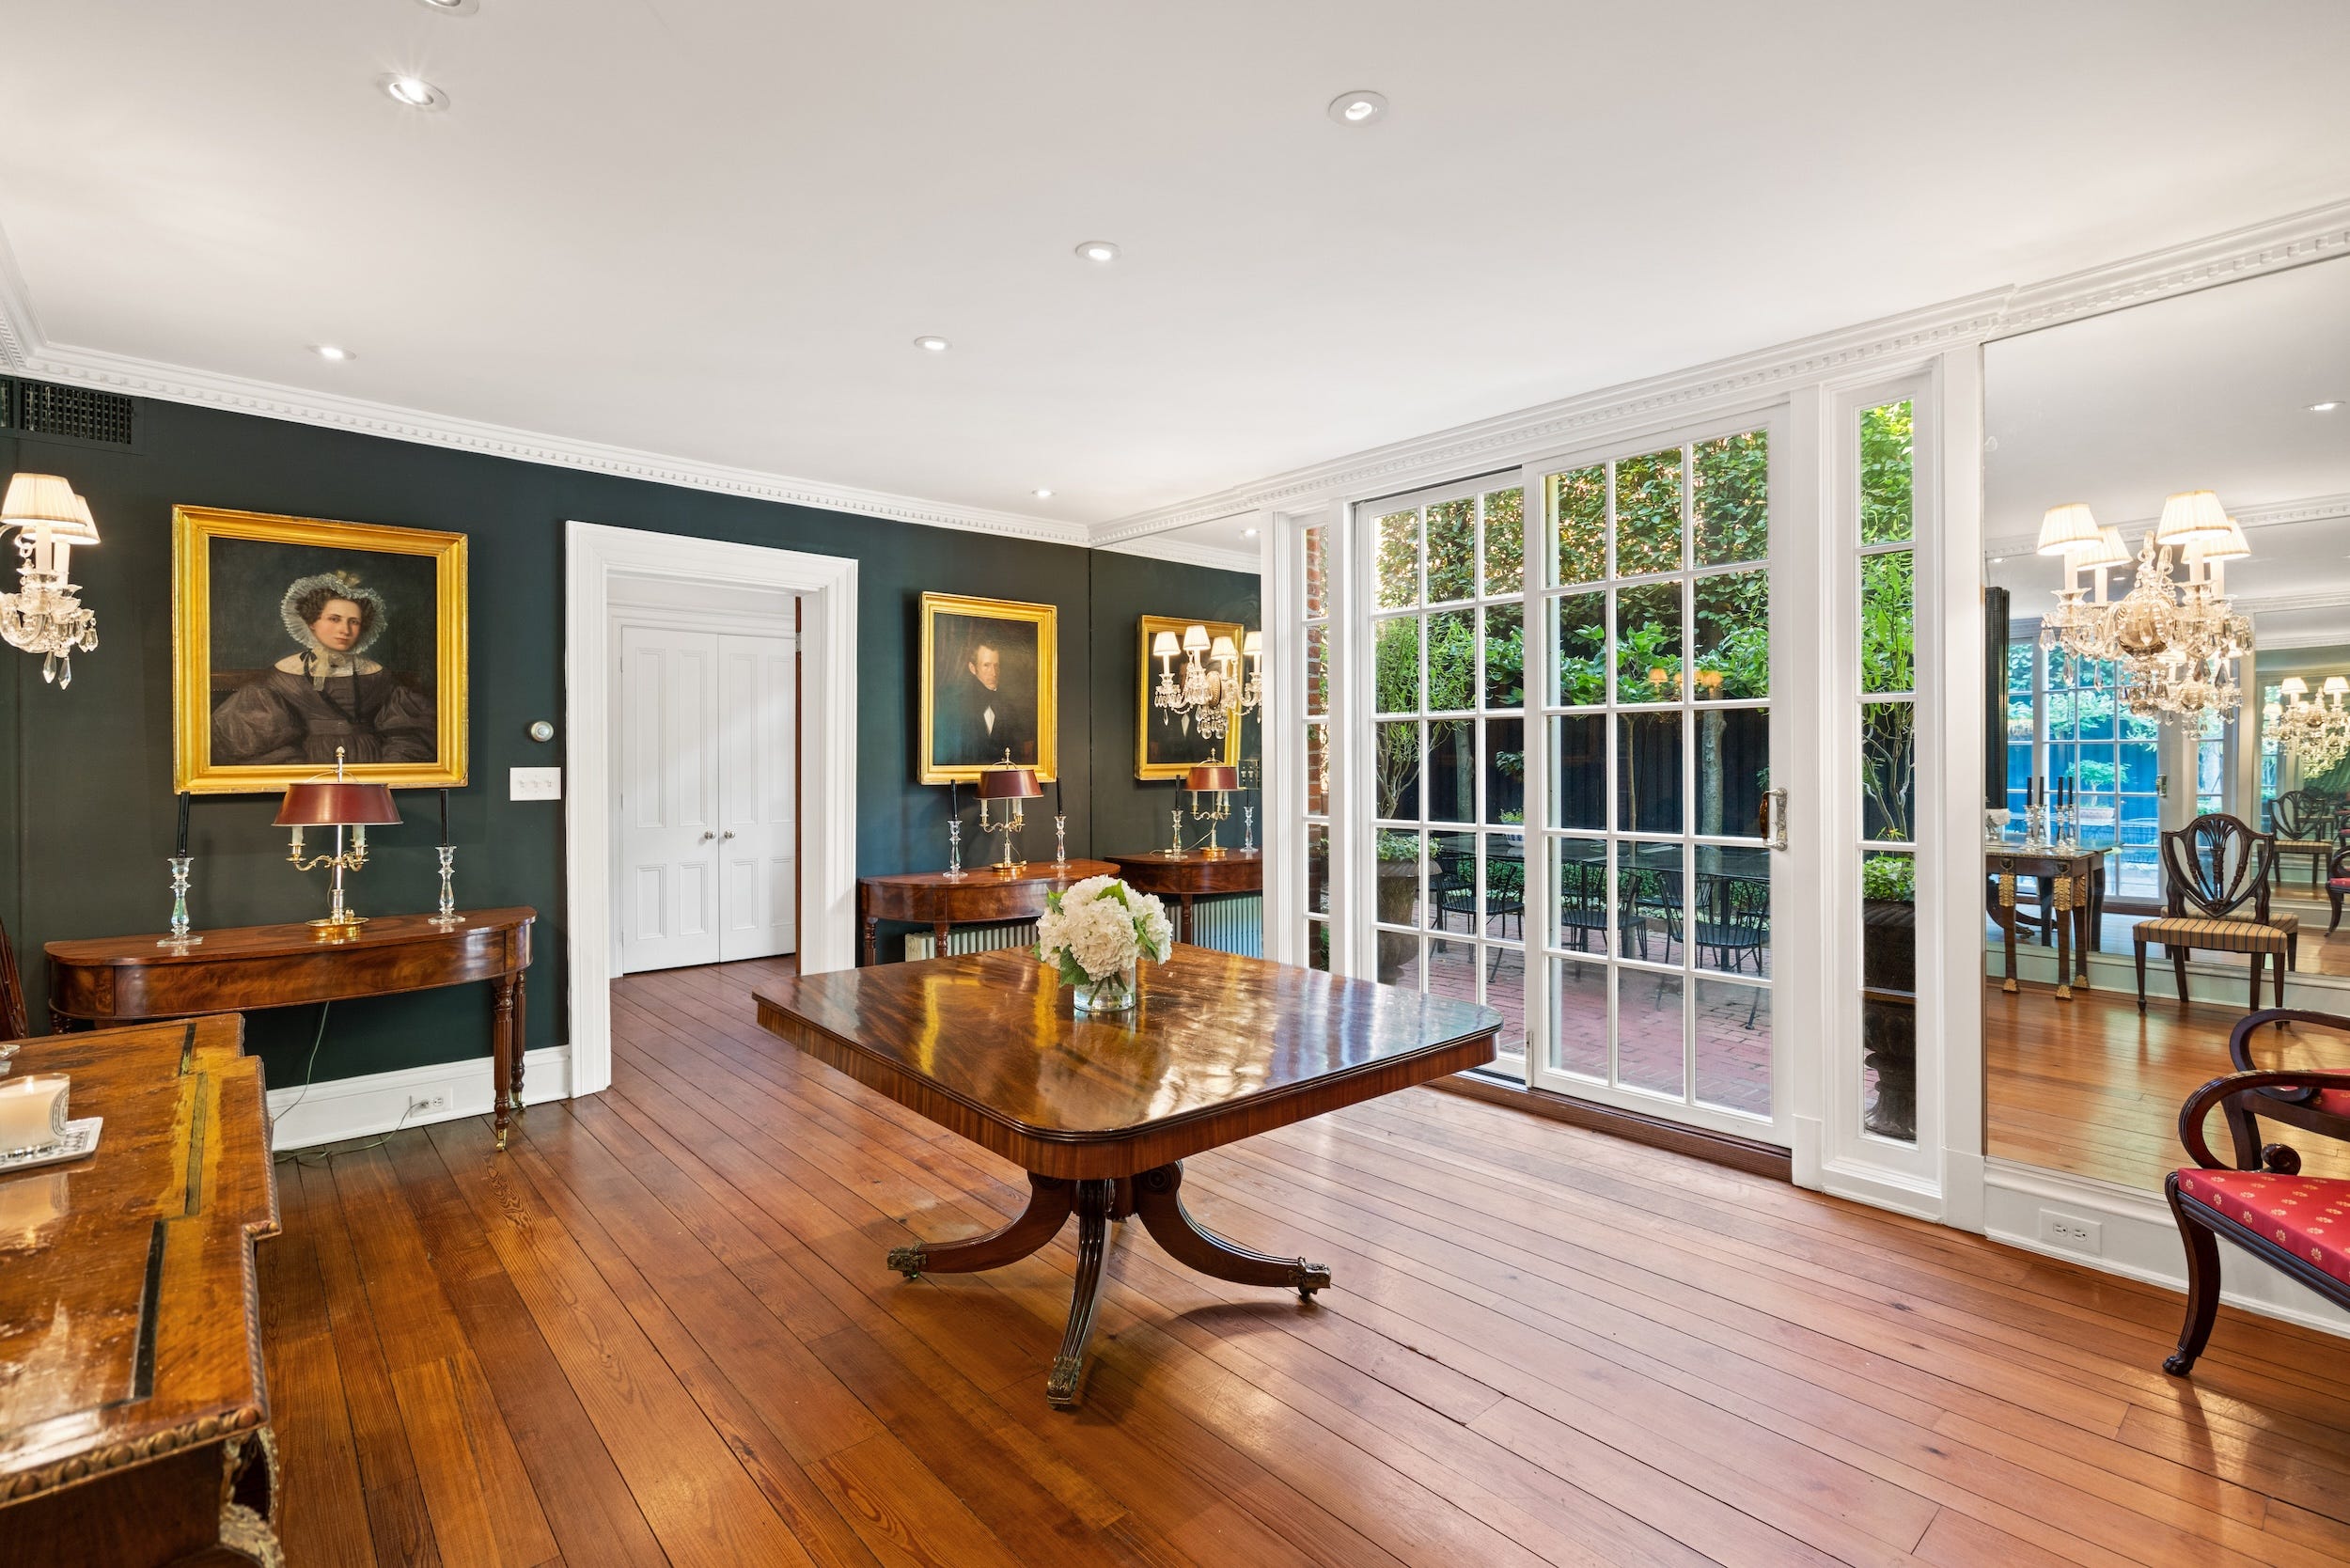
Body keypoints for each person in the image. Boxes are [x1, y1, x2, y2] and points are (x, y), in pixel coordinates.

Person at [212, 570, 436, 765]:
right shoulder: (283, 674)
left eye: (354, 621)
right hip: (308, 764)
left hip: (371, 764)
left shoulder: (376, 674)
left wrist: (386, 771)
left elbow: (407, 736)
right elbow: (261, 740)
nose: (344, 630)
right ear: (312, 622)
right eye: (334, 619)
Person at [944, 630, 1035, 765]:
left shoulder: (1011, 708)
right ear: (973, 668)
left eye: (996, 666)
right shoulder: (956, 705)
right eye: (986, 665)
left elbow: (1021, 756)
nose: (993, 673)